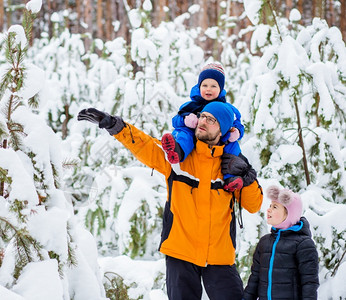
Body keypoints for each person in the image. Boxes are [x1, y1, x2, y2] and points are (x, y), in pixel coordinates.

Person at [78, 101, 263, 300]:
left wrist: (247, 178)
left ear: (222, 131)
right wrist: (116, 126)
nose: (203, 121)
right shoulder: (178, 158)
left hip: (219, 256)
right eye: (203, 116)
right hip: (181, 253)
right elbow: (145, 145)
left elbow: (253, 205)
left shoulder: (230, 166)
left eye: (212, 120)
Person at [161, 62, 245, 192]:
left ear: (220, 88)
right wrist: (185, 120)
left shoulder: (225, 108)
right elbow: (175, 120)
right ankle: (177, 151)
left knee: (233, 146)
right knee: (184, 133)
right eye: (204, 85)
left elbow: (237, 121)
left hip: (216, 138)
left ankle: (230, 178)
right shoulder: (192, 105)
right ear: (199, 86)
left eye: (213, 86)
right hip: (195, 136)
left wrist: (237, 131)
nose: (208, 89)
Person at [243, 185, 319, 300]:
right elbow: (255, 278)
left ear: (289, 214)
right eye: (270, 206)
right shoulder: (264, 242)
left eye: (275, 207)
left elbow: (309, 283)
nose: (269, 209)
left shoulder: (303, 244)